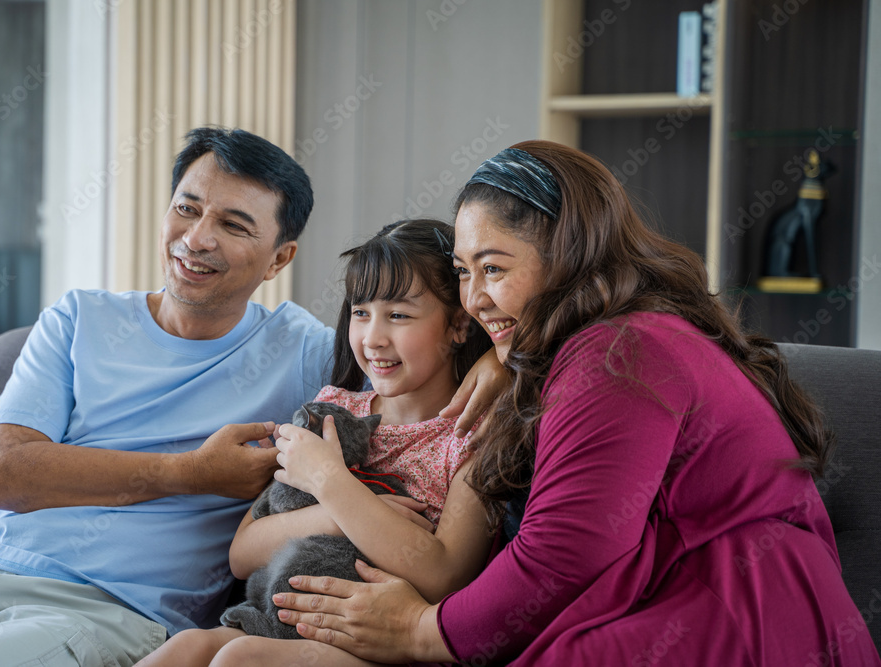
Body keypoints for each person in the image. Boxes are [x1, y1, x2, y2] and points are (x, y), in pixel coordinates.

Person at [0, 128, 500, 667]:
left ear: (278, 258)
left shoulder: (311, 355)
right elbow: (3, 475)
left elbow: (419, 364)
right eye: (188, 208)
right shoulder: (77, 319)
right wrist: (193, 473)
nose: (196, 238)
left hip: (106, 612)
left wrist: (501, 362)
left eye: (233, 225)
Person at [266, 141, 881, 666]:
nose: (475, 298)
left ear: (567, 255)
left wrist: (419, 632)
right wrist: (502, 357)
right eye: (462, 271)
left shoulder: (621, 352)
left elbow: (564, 556)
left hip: (738, 619)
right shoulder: (614, 336)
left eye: (494, 269)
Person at [136, 219, 496, 667]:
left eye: (399, 315)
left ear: (459, 325)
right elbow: (243, 554)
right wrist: (332, 516)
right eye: (361, 313)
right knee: (187, 647)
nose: (373, 337)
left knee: (241, 659)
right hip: (280, 616)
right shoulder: (332, 410)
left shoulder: (473, 437)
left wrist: (330, 481)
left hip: (382, 642)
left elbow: (444, 575)